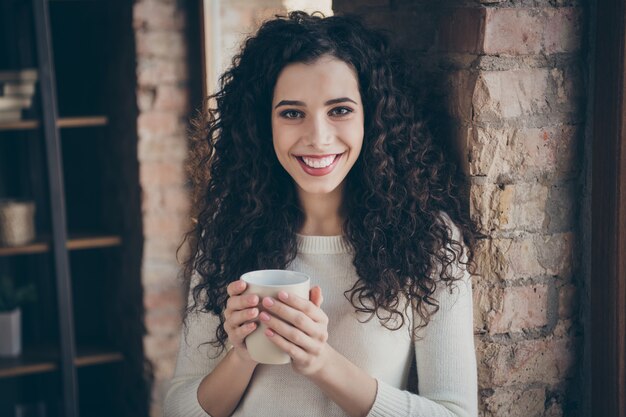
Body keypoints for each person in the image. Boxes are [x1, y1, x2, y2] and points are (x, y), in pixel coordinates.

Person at [164, 11, 478, 417]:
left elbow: (456, 412)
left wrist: (320, 362)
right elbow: (177, 407)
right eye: (292, 113)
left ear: (373, 117)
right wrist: (240, 355)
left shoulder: (429, 239)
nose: (317, 137)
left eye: (340, 110)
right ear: (265, 124)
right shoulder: (229, 230)